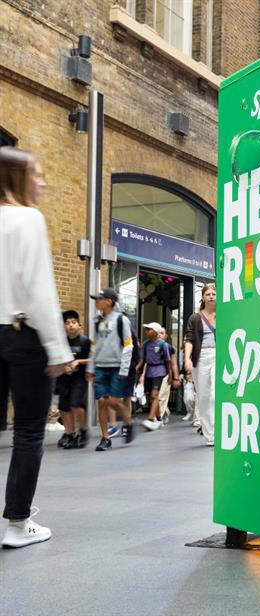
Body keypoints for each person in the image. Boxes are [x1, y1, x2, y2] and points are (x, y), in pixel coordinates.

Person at [0, 147, 71, 548]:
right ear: (18, 177)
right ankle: (16, 524)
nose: (42, 180)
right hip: (24, 334)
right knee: (28, 431)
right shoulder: (27, 218)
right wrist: (59, 350)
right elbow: (40, 291)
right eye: (37, 173)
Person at [87, 287, 135, 451]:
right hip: (100, 367)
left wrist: (124, 369)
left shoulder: (122, 320)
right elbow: (95, 345)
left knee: (113, 401)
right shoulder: (97, 321)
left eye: (99, 299)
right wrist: (90, 367)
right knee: (101, 402)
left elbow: (128, 345)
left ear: (109, 301)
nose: (96, 302)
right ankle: (105, 438)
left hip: (116, 367)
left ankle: (128, 420)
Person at [184, 283, 217, 446]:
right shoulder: (195, 318)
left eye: (214, 294)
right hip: (201, 357)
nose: (211, 296)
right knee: (203, 397)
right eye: (208, 294)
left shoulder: (223, 315)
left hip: (218, 355)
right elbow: (189, 338)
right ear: (203, 297)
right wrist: (187, 358)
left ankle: (218, 428)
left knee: (214, 395)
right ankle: (210, 435)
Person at [56, 310, 91, 449]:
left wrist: (78, 362)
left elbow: (93, 358)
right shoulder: (61, 343)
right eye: (67, 323)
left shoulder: (86, 341)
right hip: (63, 378)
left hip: (79, 378)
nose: (70, 325)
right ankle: (70, 433)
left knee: (76, 404)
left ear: (79, 325)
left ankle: (83, 430)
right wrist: (63, 367)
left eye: (73, 322)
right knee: (63, 407)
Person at [138, 322, 172, 431]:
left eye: (149, 329)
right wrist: (135, 370)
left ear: (155, 332)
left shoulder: (163, 345)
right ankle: (159, 418)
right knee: (153, 397)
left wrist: (170, 375)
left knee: (154, 395)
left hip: (160, 372)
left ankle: (151, 419)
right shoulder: (145, 344)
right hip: (149, 372)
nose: (147, 331)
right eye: (146, 329)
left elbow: (168, 361)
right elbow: (143, 360)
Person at [157, 330, 179, 424]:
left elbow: (174, 364)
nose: (159, 335)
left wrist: (176, 378)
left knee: (161, 396)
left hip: (166, 375)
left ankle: (159, 418)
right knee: (158, 397)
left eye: (161, 333)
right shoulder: (151, 346)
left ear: (166, 336)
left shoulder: (169, 347)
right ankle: (165, 413)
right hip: (155, 375)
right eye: (158, 333)